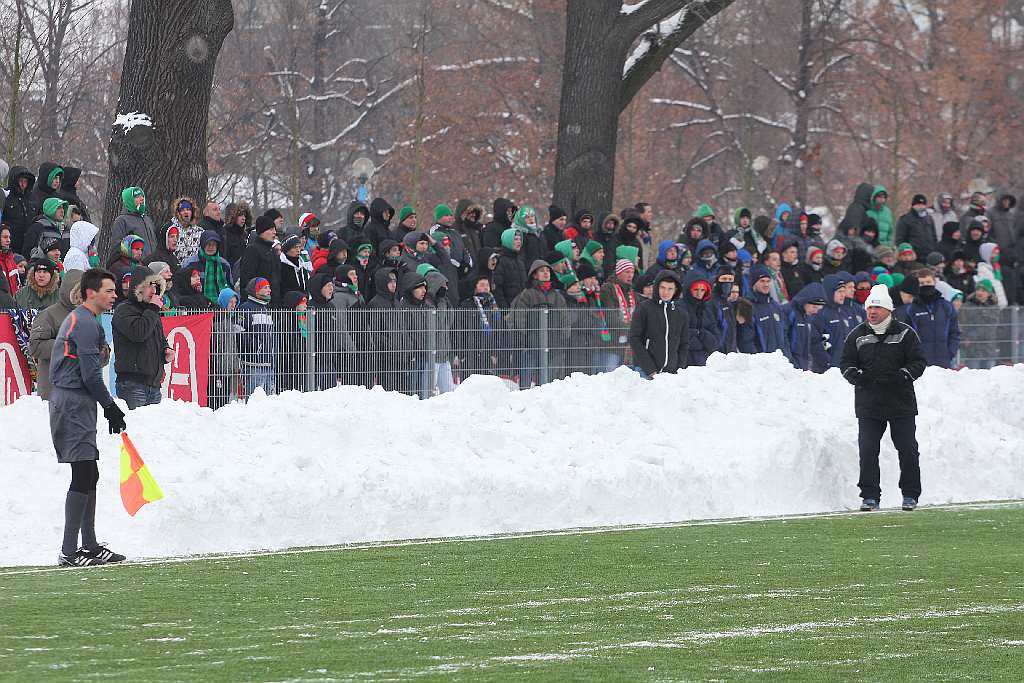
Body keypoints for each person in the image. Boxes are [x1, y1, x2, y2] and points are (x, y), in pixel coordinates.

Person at [49, 267, 127, 566]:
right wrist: (110, 406)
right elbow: (91, 375)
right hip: (72, 402)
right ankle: (69, 552)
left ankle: (90, 545)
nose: (114, 295)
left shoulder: (86, 320)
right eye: (109, 290)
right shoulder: (84, 322)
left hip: (78, 402)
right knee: (83, 473)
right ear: (91, 293)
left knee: (89, 472)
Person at [840, 283, 927, 511]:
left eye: (877, 308)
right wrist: (856, 376)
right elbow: (846, 363)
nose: (872, 312)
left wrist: (903, 376)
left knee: (907, 449)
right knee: (868, 450)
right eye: (869, 308)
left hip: (901, 402)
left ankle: (910, 494)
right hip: (869, 404)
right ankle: (869, 496)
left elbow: (918, 362)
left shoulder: (905, 333)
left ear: (888, 310)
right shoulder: (857, 335)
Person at [112, 265, 172, 409]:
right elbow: (139, 333)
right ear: (138, 288)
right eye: (149, 286)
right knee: (134, 429)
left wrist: (166, 350)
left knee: (153, 431)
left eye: (156, 286)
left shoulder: (152, 311)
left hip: (154, 386)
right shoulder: (124, 310)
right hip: (132, 386)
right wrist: (152, 309)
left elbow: (159, 339)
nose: (153, 290)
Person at [628, 270, 689, 378]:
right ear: (657, 287)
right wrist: (649, 369)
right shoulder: (644, 308)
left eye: (670, 289)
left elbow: (684, 344)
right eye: (663, 288)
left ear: (676, 290)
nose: (666, 292)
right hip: (645, 371)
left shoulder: (681, 314)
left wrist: (679, 369)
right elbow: (634, 338)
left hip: (671, 374)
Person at [896, 271, 960, 368]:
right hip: (920, 364)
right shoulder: (910, 308)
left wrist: (951, 352)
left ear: (934, 282)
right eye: (922, 283)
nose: (926, 285)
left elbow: (954, 332)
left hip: (944, 362)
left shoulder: (947, 306)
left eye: (928, 282)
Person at [236, 277, 277, 397]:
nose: (269, 290)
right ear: (256, 290)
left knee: (269, 400)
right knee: (255, 400)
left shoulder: (266, 309)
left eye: (269, 287)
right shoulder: (245, 308)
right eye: (265, 287)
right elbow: (239, 333)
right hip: (254, 364)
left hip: (269, 362)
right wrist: (257, 348)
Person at [239, 216, 282, 307]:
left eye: (274, 229)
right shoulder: (252, 250)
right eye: (270, 229)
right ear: (262, 231)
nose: (274, 232)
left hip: (274, 303)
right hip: (256, 303)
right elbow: (247, 279)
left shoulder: (273, 251)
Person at [681, 269, 721, 367]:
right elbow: (679, 337)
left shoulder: (707, 309)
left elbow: (716, 340)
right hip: (683, 363)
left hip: (703, 362)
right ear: (688, 289)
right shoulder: (679, 307)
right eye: (696, 290)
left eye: (702, 290)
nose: (699, 294)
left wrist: (701, 334)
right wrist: (700, 339)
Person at [784, 281, 826, 371]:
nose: (815, 311)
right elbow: (783, 340)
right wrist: (790, 363)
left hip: (802, 366)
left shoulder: (806, 316)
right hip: (790, 366)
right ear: (804, 301)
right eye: (814, 307)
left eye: (819, 309)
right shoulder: (789, 312)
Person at [109, 187, 158, 258]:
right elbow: (117, 248)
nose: (142, 199)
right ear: (129, 200)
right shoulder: (122, 221)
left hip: (152, 265)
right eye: (137, 196)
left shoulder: (147, 219)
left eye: (142, 196)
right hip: (135, 266)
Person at [3, 165, 36, 254]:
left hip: (28, 244)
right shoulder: (6, 196)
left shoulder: (31, 198)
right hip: (10, 243)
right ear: (14, 181)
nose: (23, 184)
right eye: (20, 181)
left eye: (25, 181)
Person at [894, 194, 937, 260]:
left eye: (923, 204)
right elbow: (900, 239)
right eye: (918, 204)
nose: (921, 207)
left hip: (929, 255)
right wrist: (906, 254)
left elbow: (934, 237)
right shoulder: (905, 219)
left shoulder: (929, 219)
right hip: (913, 256)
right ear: (913, 205)